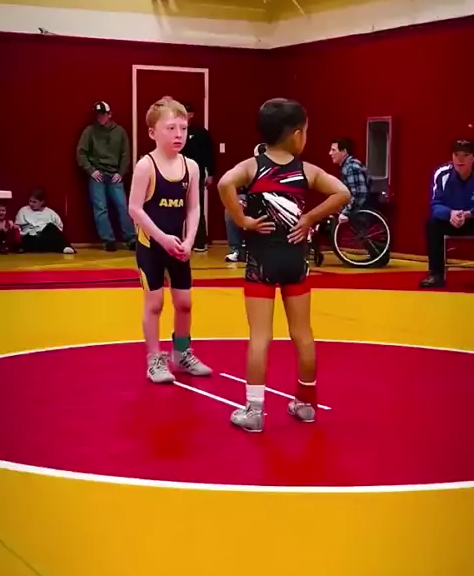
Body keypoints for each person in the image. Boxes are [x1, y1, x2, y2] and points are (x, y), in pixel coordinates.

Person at [218, 98, 350, 432]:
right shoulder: (307, 171)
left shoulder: (251, 167)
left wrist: (243, 220)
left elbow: (223, 184)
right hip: (295, 261)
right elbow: (342, 193)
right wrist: (309, 218)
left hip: (261, 262)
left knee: (260, 337)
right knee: (303, 334)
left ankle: (254, 411)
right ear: (296, 135)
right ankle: (306, 405)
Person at [128, 97, 212, 384]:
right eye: (171, 128)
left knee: (185, 303)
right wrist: (163, 238)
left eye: (183, 129)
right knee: (154, 304)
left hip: (178, 248)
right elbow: (134, 208)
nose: (179, 135)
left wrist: (189, 241)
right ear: (153, 132)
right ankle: (154, 358)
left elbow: (194, 207)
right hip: (152, 246)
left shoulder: (192, 167)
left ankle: (181, 353)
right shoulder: (146, 166)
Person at [77, 101, 136, 252]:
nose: (100, 118)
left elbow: (125, 154)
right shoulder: (89, 131)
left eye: (103, 114)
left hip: (114, 174)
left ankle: (131, 239)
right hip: (97, 174)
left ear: (110, 115)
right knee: (100, 208)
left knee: (122, 206)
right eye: (98, 115)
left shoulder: (120, 132)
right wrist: (91, 170)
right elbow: (81, 153)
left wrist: (121, 173)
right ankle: (108, 240)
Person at [420, 139, 474, 289]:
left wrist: (468, 214)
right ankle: (436, 275)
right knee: (432, 223)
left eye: (465, 155)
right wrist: (450, 213)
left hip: (471, 219)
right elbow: (435, 204)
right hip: (450, 219)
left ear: (473, 158)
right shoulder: (442, 174)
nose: (460, 160)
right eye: (456, 155)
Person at [181, 103, 215, 252]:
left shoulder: (200, 133)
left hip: (197, 174)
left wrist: (211, 173)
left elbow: (209, 154)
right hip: (178, 173)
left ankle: (200, 241)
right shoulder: (176, 132)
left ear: (191, 114)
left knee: (196, 206)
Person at [15, 189, 75, 254]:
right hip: (30, 238)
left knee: (51, 226)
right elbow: (18, 227)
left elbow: (59, 229)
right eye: (30, 201)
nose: (31, 204)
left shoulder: (51, 213)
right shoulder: (23, 210)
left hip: (45, 238)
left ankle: (65, 248)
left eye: (34, 202)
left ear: (42, 202)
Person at [328, 138, 371, 223]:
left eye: (333, 150)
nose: (330, 153)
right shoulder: (347, 167)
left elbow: (359, 194)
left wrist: (346, 212)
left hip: (361, 213)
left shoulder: (351, 168)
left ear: (344, 152)